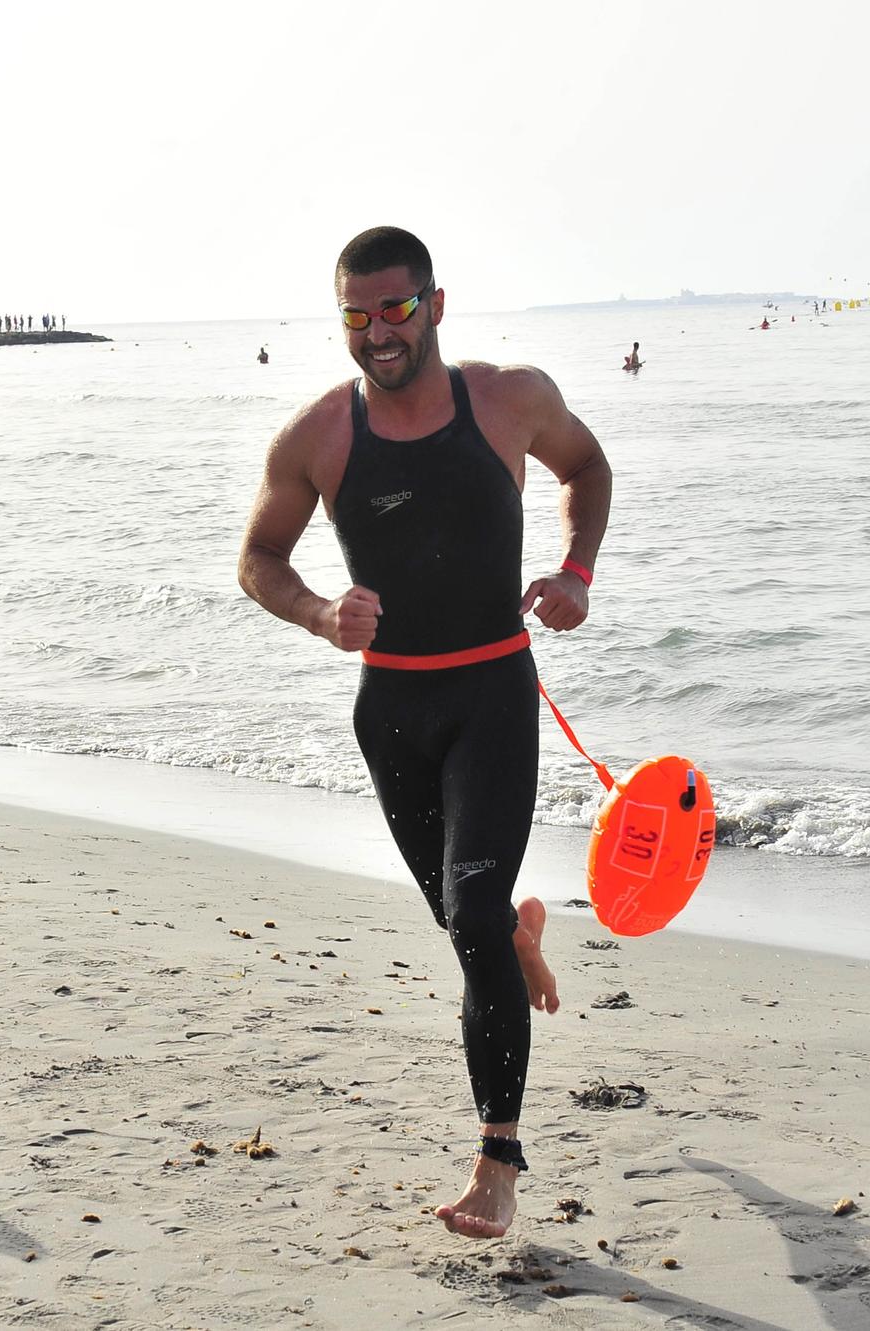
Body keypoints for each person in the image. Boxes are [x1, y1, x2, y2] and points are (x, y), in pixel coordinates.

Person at [238, 226, 612, 1240]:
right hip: (391, 712)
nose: (377, 331)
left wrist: (574, 572)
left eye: (396, 309)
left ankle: (497, 1159)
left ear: (434, 306)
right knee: (468, 924)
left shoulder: (506, 400)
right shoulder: (318, 436)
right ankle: (511, 931)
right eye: (356, 315)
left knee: (470, 901)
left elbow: (586, 467)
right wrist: (319, 613)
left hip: (492, 692)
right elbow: (260, 558)